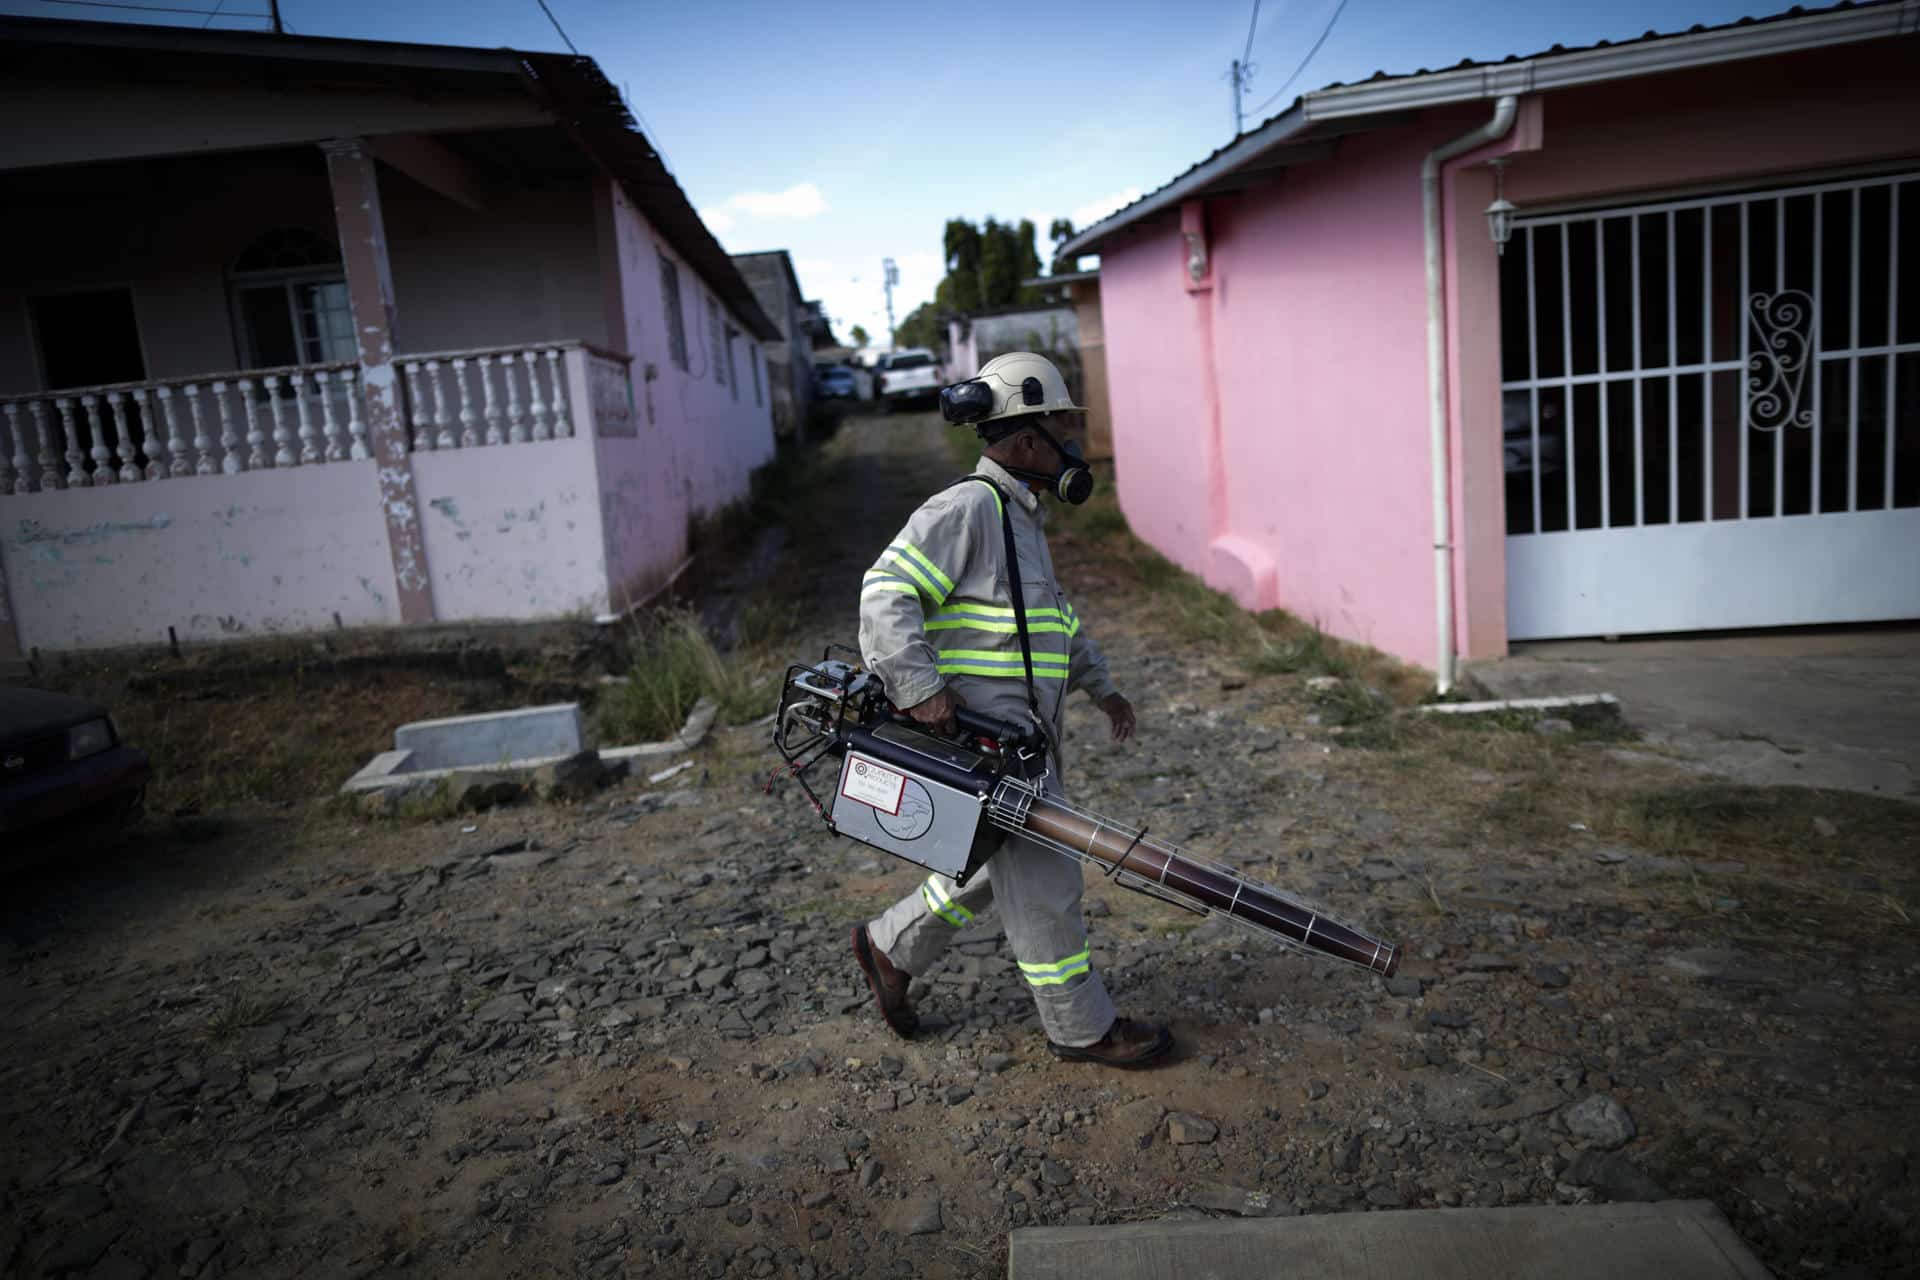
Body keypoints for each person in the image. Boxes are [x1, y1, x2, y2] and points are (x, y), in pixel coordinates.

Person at [847, 351, 1174, 1068]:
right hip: (987, 745)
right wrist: (920, 689)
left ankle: (890, 948)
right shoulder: (968, 509)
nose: (1074, 442)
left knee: (995, 865)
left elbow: (1054, 622)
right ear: (1027, 440)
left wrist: (1101, 685)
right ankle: (1080, 1027)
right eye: (1063, 425)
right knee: (1049, 881)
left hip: (1024, 744)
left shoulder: (1021, 517)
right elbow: (884, 590)